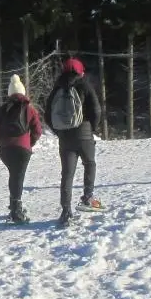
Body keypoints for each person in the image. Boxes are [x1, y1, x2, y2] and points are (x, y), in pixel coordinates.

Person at [45, 57, 102, 227]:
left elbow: (48, 115)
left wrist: (59, 132)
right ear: (80, 71)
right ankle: (87, 197)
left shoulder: (57, 88)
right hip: (84, 134)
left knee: (67, 174)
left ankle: (66, 212)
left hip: (65, 138)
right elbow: (96, 110)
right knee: (90, 163)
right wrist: (91, 128)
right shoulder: (84, 85)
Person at [0, 74, 43, 223]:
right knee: (17, 176)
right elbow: (38, 131)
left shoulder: (2, 109)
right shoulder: (29, 109)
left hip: (5, 149)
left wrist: (3, 141)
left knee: (14, 175)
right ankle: (16, 211)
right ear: (23, 92)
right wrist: (29, 142)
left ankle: (14, 205)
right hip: (22, 149)